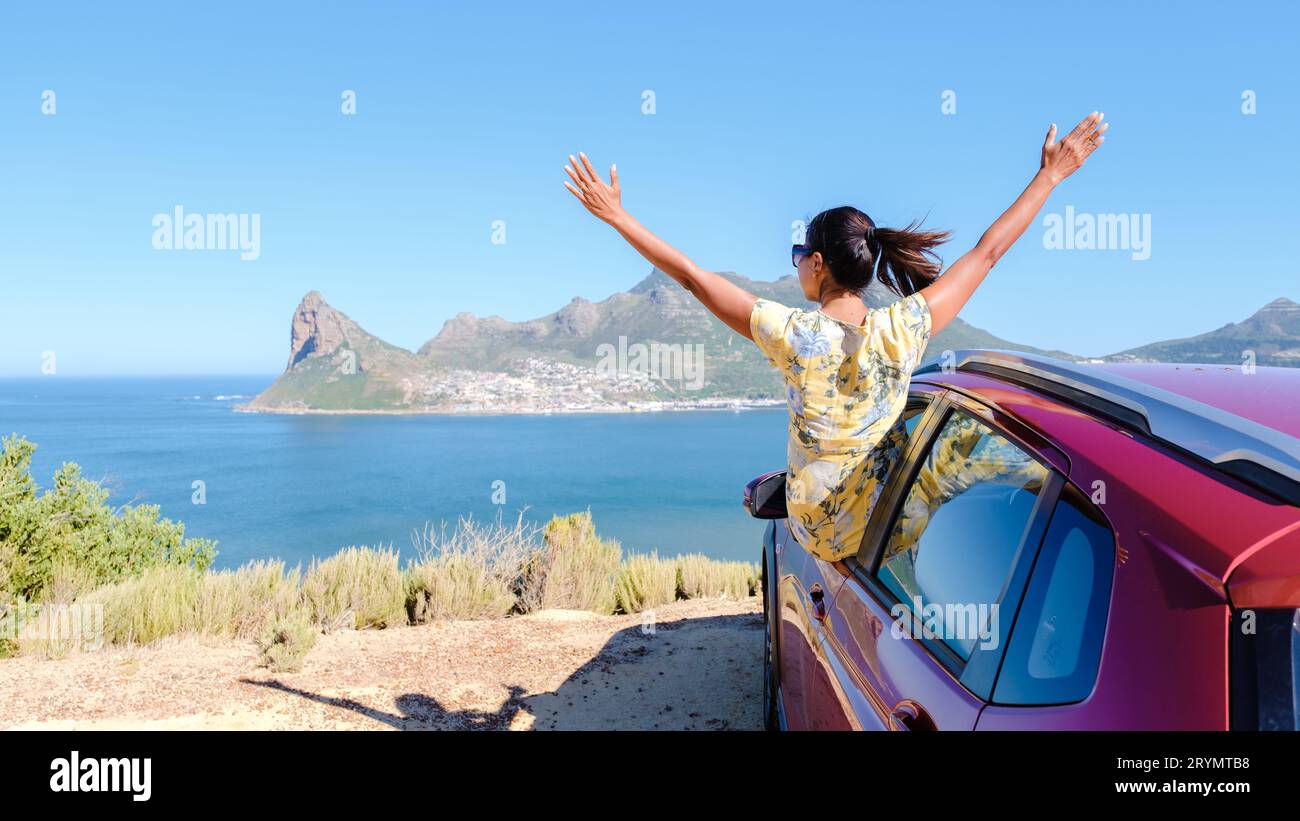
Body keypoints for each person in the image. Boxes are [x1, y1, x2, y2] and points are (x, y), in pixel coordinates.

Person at [563, 112, 1107, 562]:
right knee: (963, 438)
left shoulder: (795, 335)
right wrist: (1050, 177)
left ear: (818, 264)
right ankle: (1092, 509)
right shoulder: (904, 327)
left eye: (798, 257)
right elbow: (986, 253)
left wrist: (617, 217)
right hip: (893, 525)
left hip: (825, 534)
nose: (796, 266)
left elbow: (692, 277)